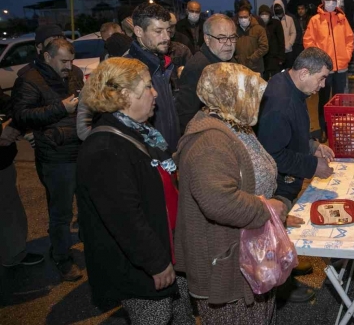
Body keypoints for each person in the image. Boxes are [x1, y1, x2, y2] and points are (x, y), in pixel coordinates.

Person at [76, 57, 194, 324]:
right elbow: (124, 218)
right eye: (148, 87)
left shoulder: (141, 132)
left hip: (169, 249)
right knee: (157, 317)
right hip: (143, 265)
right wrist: (155, 262)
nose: (155, 93)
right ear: (125, 95)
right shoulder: (106, 148)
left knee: (181, 315)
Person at [174, 62, 289, 323]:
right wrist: (267, 209)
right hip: (225, 260)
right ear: (230, 96)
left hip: (247, 249)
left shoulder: (232, 122)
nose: (257, 101)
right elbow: (219, 201)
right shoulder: (210, 142)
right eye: (250, 94)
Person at [256, 48, 335, 303]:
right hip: (277, 183)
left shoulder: (289, 83)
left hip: (287, 177)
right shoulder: (281, 102)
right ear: (303, 72)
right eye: (321, 78)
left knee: (282, 230)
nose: (322, 85)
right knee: (274, 230)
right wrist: (313, 167)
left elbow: (293, 130)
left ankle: (287, 266)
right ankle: (282, 288)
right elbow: (274, 154)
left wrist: (313, 145)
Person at [11, 38, 84, 282]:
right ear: (47, 57)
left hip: (80, 148)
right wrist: (61, 109)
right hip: (55, 157)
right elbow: (22, 117)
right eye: (63, 61)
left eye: (71, 61)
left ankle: (90, 246)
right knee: (61, 213)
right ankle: (62, 257)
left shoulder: (73, 72)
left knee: (87, 204)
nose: (69, 66)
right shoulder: (29, 79)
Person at [126, 2, 181, 152]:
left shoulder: (164, 63)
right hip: (151, 158)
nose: (166, 37)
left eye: (168, 31)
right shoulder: (127, 70)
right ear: (138, 31)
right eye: (158, 31)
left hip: (170, 154)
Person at [303, 0, 354, 143]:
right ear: (322, 0)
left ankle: (339, 129)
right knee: (324, 101)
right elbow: (308, 42)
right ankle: (324, 130)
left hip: (341, 67)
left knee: (340, 100)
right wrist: (319, 61)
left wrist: (346, 56)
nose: (330, 1)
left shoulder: (342, 19)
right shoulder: (315, 20)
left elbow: (349, 40)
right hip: (324, 69)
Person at [0, 93, 44, 268]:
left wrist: (15, 124)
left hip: (4, 162)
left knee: (10, 210)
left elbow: (12, 106)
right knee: (8, 212)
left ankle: (13, 251)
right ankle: (13, 255)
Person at [176, 14, 238, 133]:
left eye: (232, 37)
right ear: (207, 39)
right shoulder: (198, 67)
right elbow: (186, 115)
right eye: (222, 38)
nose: (229, 43)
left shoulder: (230, 60)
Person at [78, 32, 133, 141]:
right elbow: (82, 131)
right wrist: (106, 140)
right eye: (128, 57)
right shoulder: (96, 85)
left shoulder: (131, 80)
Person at [234, 6, 269, 74]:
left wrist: (252, 59)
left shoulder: (259, 29)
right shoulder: (234, 31)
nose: (243, 19)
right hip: (240, 68)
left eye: (245, 17)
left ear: (250, 16)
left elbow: (264, 47)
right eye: (241, 17)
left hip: (255, 68)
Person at [259, 4, 285, 81]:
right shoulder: (258, 26)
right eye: (262, 14)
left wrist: (281, 58)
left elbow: (281, 41)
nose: (264, 16)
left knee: (276, 81)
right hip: (263, 59)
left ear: (269, 14)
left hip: (275, 58)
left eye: (266, 14)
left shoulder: (276, 23)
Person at [272, 0, 296, 69]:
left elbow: (293, 32)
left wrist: (289, 44)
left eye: (279, 7)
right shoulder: (272, 20)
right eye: (276, 7)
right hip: (278, 53)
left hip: (288, 51)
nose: (277, 9)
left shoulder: (289, 19)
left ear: (283, 7)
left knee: (289, 70)